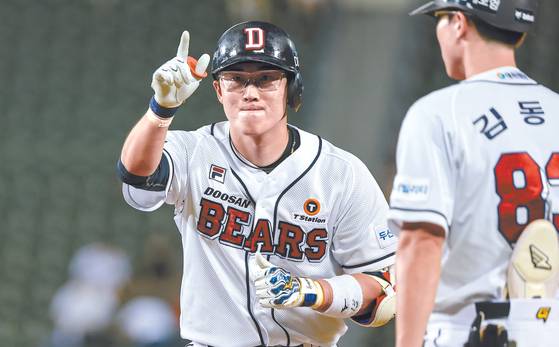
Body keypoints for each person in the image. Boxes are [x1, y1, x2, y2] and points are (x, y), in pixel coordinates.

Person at [117, 21, 396, 347]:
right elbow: (136, 174)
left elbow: (383, 293)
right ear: (219, 89)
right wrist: (160, 110)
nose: (250, 92)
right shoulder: (194, 152)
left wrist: (313, 291)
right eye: (236, 79)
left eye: (266, 79)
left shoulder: (341, 174)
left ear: (291, 88)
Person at [388, 1, 559, 346]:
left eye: (439, 19)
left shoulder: (437, 113)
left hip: (469, 330)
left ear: (459, 23)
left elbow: (421, 243)